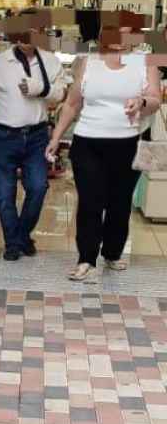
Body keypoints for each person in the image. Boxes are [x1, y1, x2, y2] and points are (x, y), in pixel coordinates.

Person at [46, 29, 162, 282]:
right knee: (90, 201)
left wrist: (142, 102)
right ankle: (86, 259)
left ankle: (112, 252)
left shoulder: (145, 62)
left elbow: (155, 99)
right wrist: (55, 137)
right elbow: (72, 103)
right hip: (87, 141)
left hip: (127, 143)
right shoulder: (89, 62)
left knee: (119, 202)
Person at [0, 12, 67, 261]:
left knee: (38, 187)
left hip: (36, 136)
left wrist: (42, 89)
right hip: (2, 136)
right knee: (5, 194)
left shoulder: (50, 62)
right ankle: (13, 244)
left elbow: (63, 94)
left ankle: (21, 235)